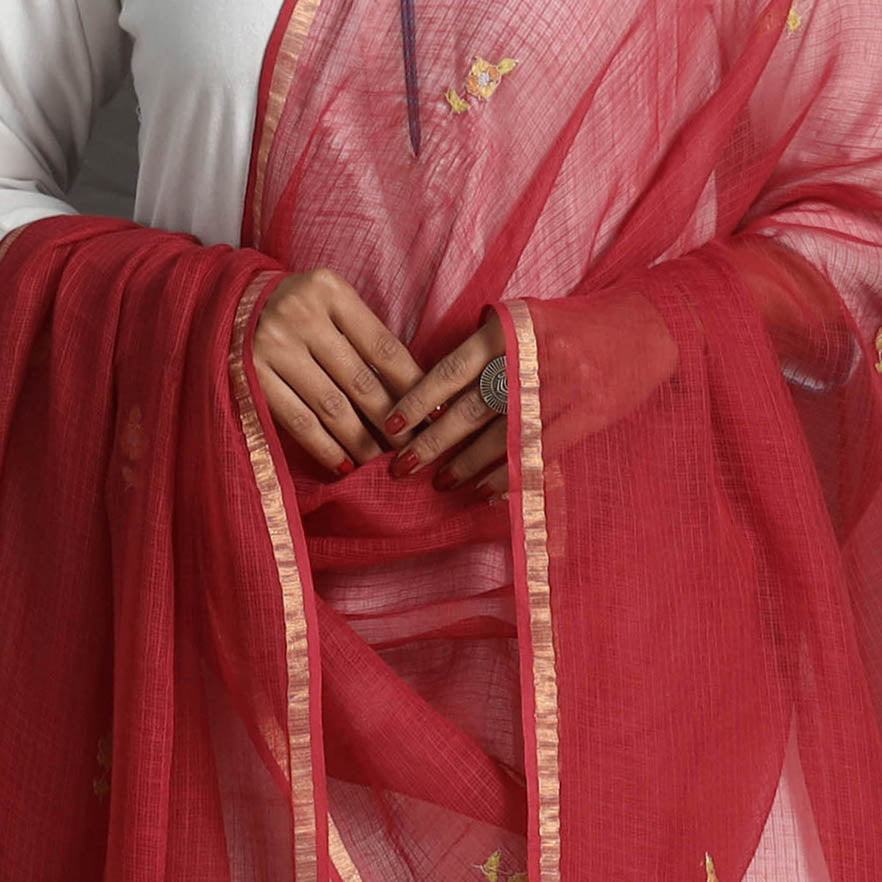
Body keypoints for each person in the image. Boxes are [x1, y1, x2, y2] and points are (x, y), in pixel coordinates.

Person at [1, 0, 881, 879]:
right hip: (233, 652)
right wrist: (194, 317)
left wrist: (645, 334)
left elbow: (858, 211)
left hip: (634, 674)